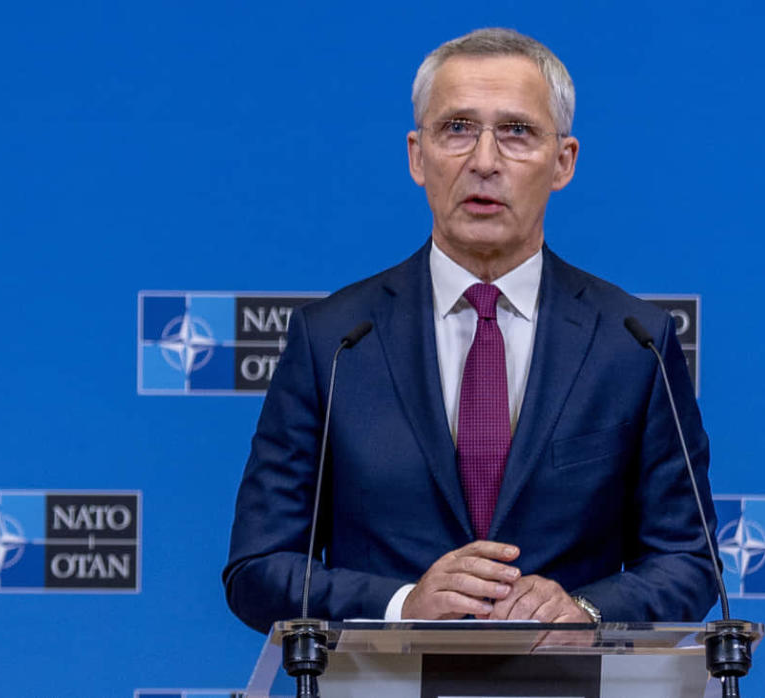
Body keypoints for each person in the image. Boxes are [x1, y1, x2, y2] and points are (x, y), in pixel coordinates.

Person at [222, 27, 717, 634]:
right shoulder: (333, 341)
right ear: (416, 156)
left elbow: (689, 562)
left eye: (517, 132)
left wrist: (584, 612)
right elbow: (258, 566)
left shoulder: (633, 341)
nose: (484, 160)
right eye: (457, 128)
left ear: (563, 162)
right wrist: (403, 606)